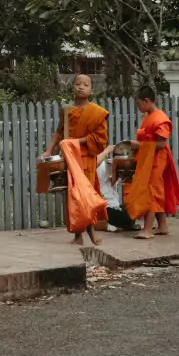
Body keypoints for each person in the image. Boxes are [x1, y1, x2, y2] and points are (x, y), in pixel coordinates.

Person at [44, 73, 109, 245]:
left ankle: (92, 233)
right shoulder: (66, 110)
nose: (81, 87)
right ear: (72, 87)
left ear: (91, 90)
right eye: (78, 84)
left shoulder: (96, 112)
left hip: (86, 160)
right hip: (69, 159)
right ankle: (78, 236)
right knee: (72, 198)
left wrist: (74, 142)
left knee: (84, 196)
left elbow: (99, 139)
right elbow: (59, 132)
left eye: (85, 85)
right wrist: (49, 150)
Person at [123, 84, 179, 238]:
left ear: (147, 100)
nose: (138, 107)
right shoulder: (149, 116)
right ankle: (162, 225)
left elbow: (162, 143)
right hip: (148, 158)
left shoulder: (161, 118)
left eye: (139, 104)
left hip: (157, 160)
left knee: (151, 191)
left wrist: (140, 145)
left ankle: (147, 229)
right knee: (153, 189)